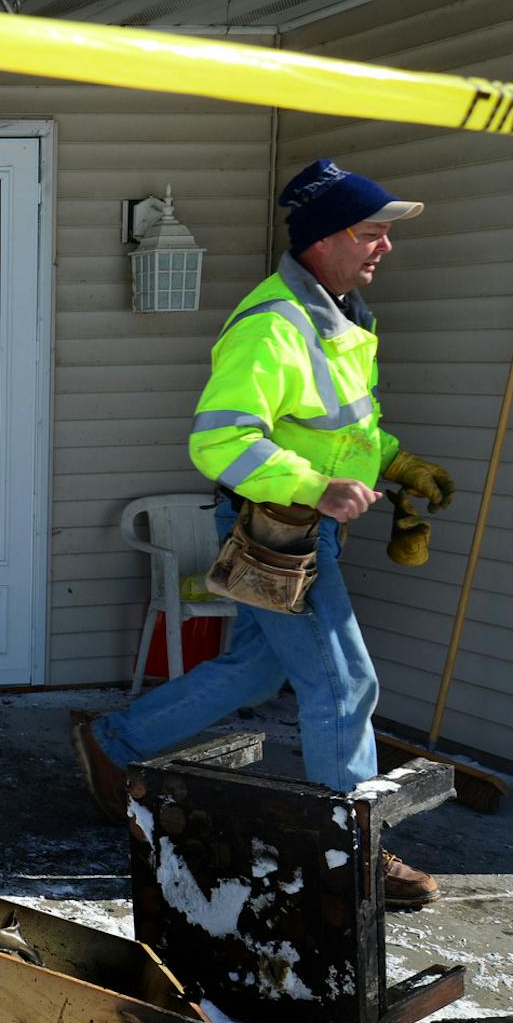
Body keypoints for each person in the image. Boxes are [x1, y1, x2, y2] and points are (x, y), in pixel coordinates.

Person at [72, 159, 456, 908]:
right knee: (345, 686)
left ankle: (111, 745)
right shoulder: (272, 325)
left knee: (254, 670)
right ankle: (353, 853)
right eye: (371, 233)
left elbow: (338, 429)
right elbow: (220, 444)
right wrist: (315, 488)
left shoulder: (339, 317)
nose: (386, 248)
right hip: (281, 531)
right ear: (323, 239)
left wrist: (396, 462)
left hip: (309, 526)